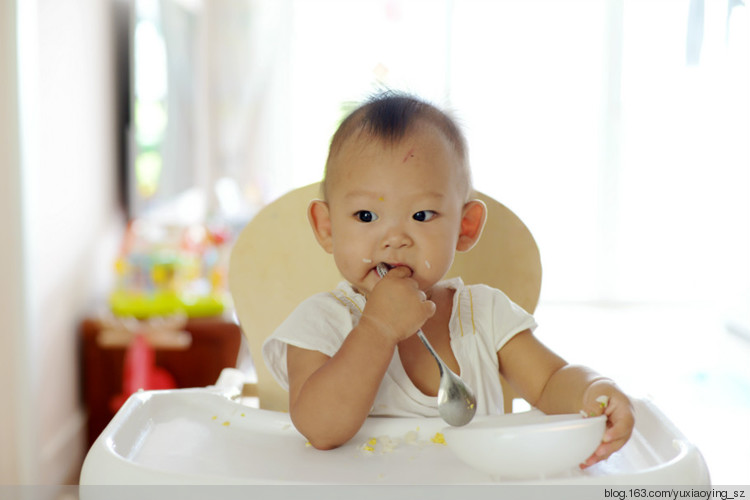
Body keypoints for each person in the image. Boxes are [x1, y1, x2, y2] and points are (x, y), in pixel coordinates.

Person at [262, 91, 634, 468]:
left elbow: (552, 381)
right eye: (365, 216)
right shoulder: (322, 322)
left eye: (422, 215)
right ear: (327, 227)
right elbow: (320, 429)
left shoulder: (483, 315)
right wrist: (375, 329)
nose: (394, 238)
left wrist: (593, 390)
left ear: (465, 227)